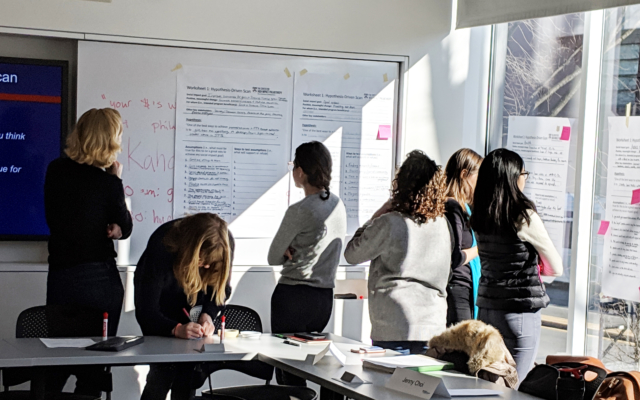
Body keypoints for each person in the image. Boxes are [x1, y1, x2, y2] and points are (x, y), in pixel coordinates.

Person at [44, 108, 133, 395]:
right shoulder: (107, 182)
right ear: (109, 140)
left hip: (60, 276)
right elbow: (126, 226)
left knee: (56, 360)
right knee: (94, 366)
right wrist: (116, 179)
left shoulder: (55, 170)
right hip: (98, 279)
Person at [344, 150, 452, 354]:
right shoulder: (442, 224)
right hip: (433, 325)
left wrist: (376, 216)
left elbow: (352, 254)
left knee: (388, 383)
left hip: (393, 324)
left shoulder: (390, 223)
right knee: (421, 384)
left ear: (401, 185)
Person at [470, 148, 563, 381]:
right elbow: (555, 267)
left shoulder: (481, 215)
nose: (525, 179)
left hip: (487, 309)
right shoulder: (522, 215)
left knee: (488, 383)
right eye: (524, 174)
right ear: (513, 177)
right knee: (514, 385)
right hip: (518, 312)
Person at [268, 141, 346, 385]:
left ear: (301, 172)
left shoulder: (299, 211)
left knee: (288, 371)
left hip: (293, 296)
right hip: (323, 300)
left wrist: (288, 250)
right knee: (309, 368)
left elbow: (273, 257)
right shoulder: (338, 205)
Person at [134, 213, 233, 400]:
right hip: (162, 308)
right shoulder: (162, 244)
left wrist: (207, 315)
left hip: (193, 311)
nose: (204, 268)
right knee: (162, 373)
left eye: (210, 265)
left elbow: (221, 290)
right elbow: (146, 311)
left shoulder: (223, 244)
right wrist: (175, 329)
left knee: (188, 375)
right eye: (202, 262)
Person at [443, 148, 483, 326]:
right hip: (457, 287)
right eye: (478, 176)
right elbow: (455, 256)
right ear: (464, 174)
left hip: (463, 286)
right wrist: (482, 248)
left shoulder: (465, 207)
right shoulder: (452, 207)